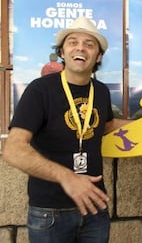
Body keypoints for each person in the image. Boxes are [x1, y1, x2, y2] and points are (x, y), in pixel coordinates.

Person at [2, 16, 131, 243]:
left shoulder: (100, 91)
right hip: (50, 214)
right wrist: (67, 178)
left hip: (95, 208)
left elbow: (107, 126)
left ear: (98, 56)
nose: (80, 47)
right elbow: (13, 150)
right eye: (73, 42)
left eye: (89, 44)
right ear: (62, 52)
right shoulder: (40, 90)